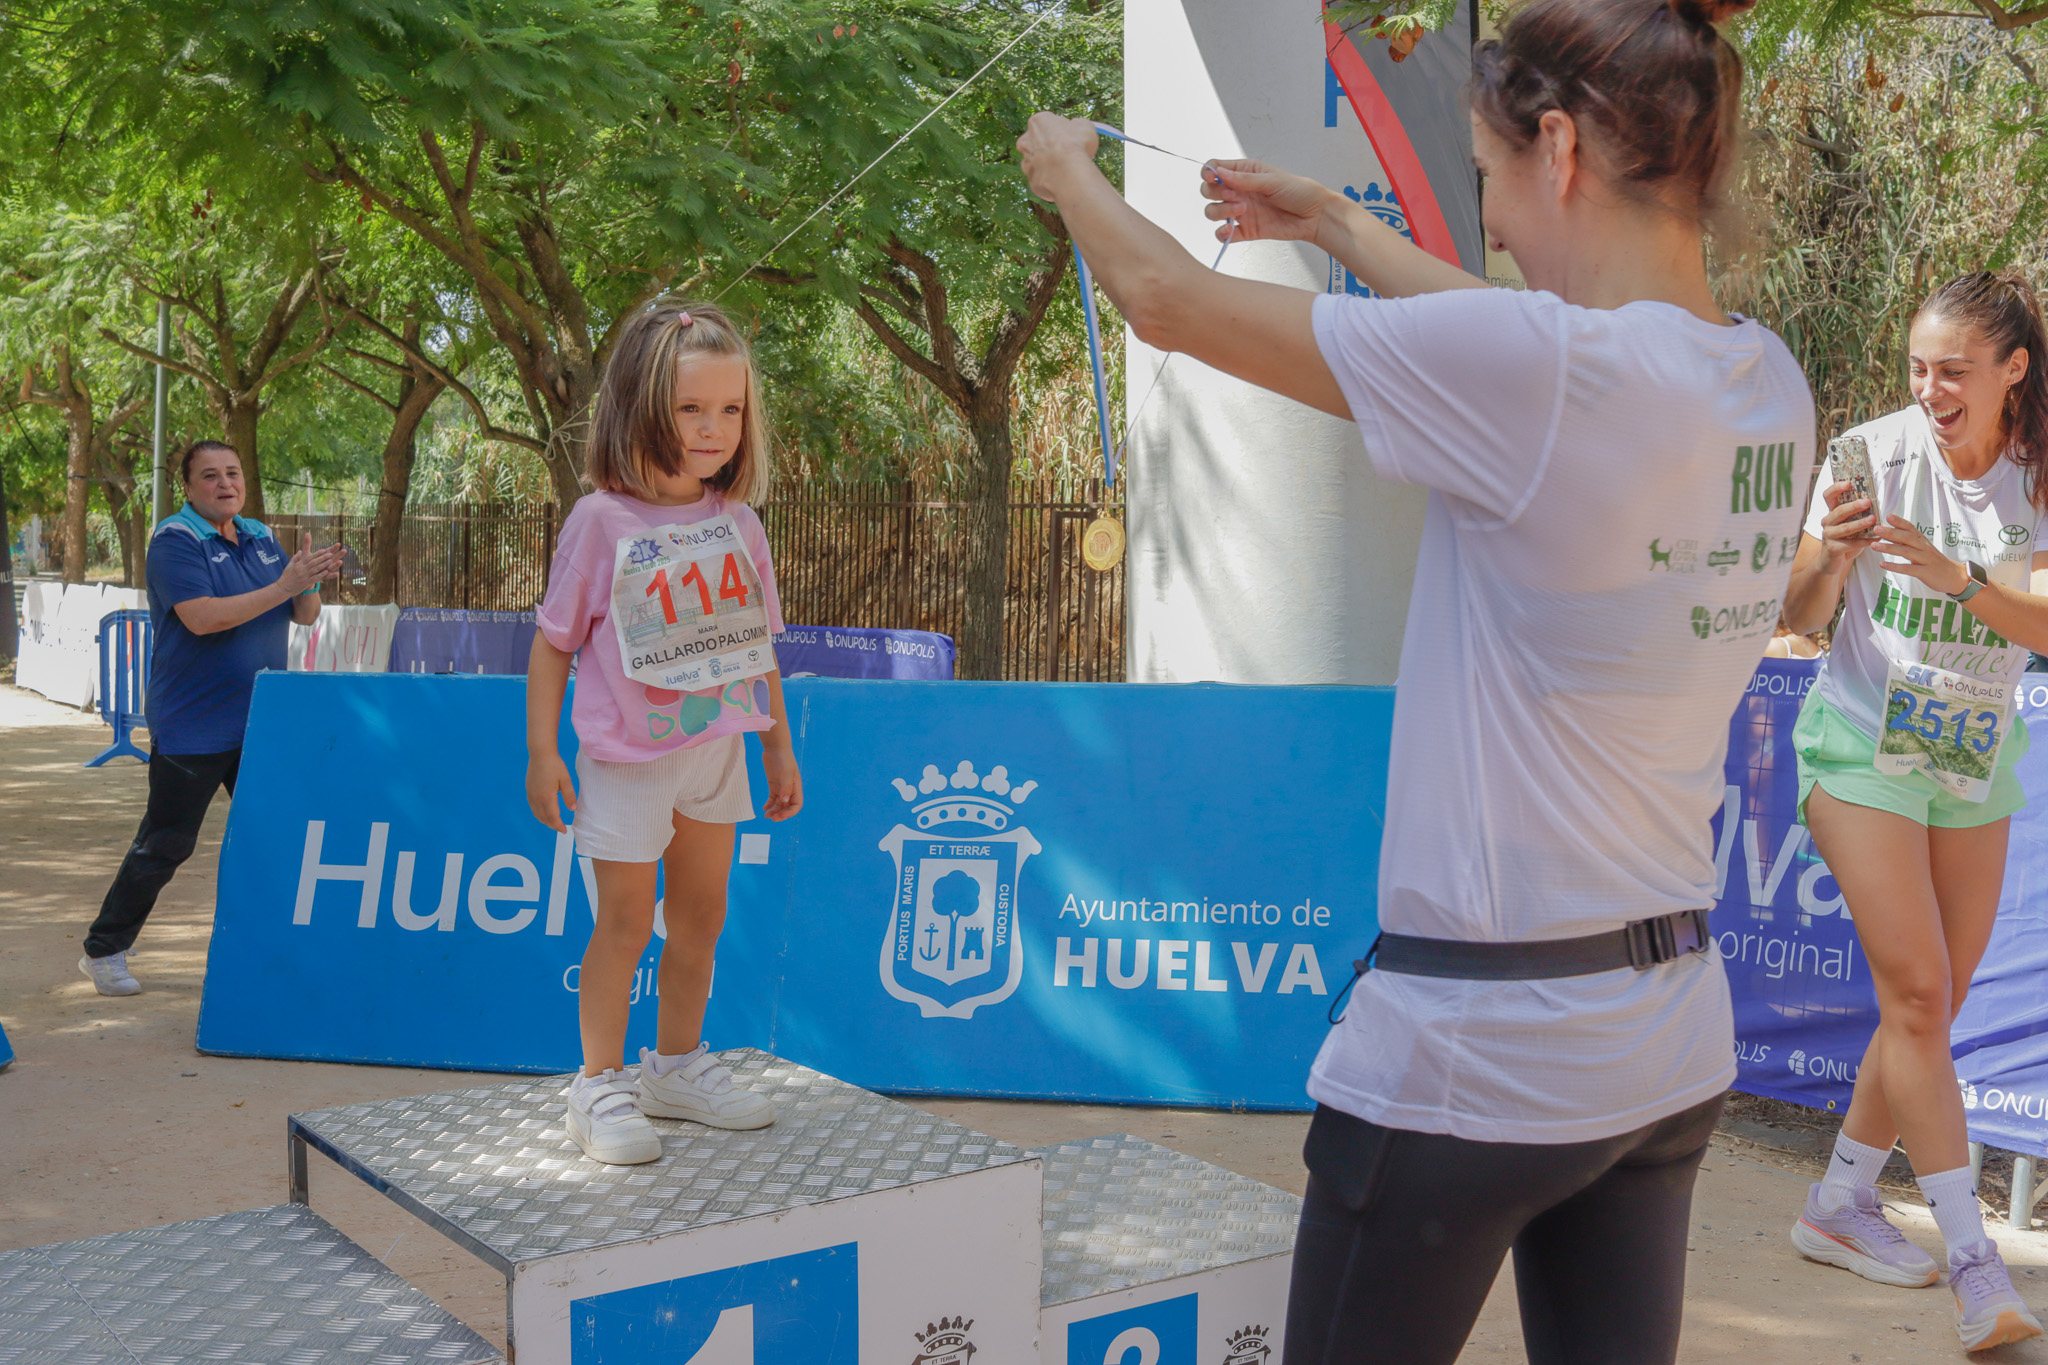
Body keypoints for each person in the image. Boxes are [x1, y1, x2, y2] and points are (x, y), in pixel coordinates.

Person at [1018, 0, 1812, 1355]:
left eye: (1488, 177)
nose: (1491, 223)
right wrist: (1338, 224)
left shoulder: (1543, 372)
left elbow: (1166, 301)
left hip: (1476, 1052)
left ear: (1559, 146)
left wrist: (1065, 171)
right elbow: (1518, 342)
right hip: (1665, 1037)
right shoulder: (1760, 380)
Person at [1781, 271, 2048, 1350]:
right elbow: (1802, 614)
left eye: (1952, 372)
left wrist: (1955, 579)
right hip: (1856, 748)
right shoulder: (1867, 454)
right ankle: (1977, 1269)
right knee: (1921, 992)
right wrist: (1832, 555)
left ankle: (1839, 1200)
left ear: (2011, 370)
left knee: (1929, 1006)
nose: (1929, 390)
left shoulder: (2038, 467)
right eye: (1916, 369)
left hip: (1971, 760)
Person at [525, 299, 802, 1166]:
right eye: (691, 408)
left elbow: (756, 644)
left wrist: (776, 744)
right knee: (624, 922)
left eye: (730, 408)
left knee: (702, 917)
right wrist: (542, 752)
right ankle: (597, 1084)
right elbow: (553, 642)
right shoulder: (599, 520)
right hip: (627, 764)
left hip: (717, 755)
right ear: (639, 405)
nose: (713, 428)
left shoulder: (739, 523)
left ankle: (676, 1066)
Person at [79, 441, 343, 995]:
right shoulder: (174, 540)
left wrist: (309, 580)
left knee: (279, 835)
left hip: (262, 722)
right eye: (210, 476)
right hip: (193, 724)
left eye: (233, 473)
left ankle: (283, 950)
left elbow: (304, 615)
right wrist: (284, 584)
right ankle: (104, 950)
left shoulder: (260, 536)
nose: (225, 484)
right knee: (167, 842)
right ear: (188, 487)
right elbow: (202, 619)